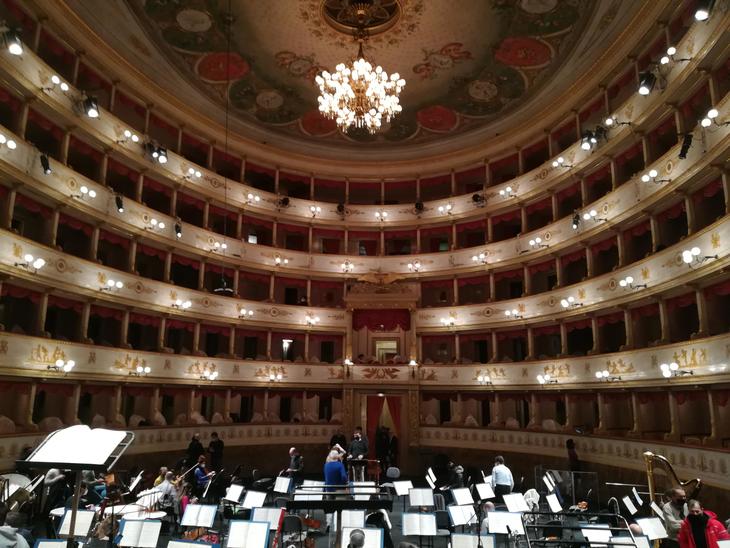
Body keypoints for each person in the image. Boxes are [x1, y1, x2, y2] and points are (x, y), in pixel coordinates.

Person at [324, 450, 348, 531]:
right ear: (337, 456)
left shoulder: (326, 465)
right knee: (339, 507)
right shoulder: (340, 465)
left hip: (328, 489)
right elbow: (344, 476)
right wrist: (344, 483)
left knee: (330, 507)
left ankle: (329, 524)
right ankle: (339, 525)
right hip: (339, 489)